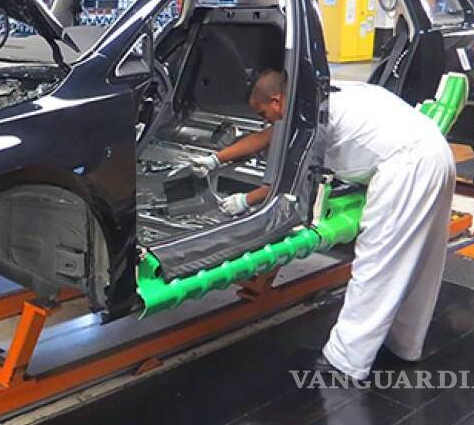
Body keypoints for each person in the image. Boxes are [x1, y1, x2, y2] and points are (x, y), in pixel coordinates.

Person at [188, 69, 456, 380]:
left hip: (407, 167)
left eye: (264, 113)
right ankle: (405, 343)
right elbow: (269, 136)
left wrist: (244, 201)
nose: (266, 120)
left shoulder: (312, 119)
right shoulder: (319, 96)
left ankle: (346, 361)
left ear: (276, 101)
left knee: (377, 263)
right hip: (435, 152)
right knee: (421, 260)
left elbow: (290, 179)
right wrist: (217, 159)